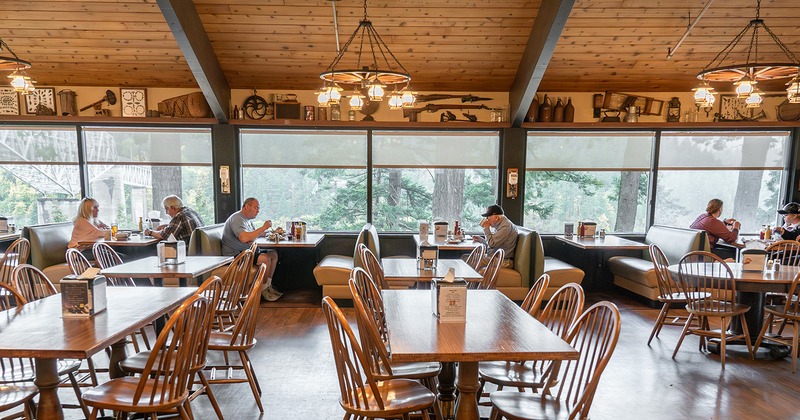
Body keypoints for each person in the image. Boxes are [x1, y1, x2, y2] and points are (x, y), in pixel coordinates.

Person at [221, 197, 281, 301]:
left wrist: (272, 232)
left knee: (273, 254)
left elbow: (253, 235)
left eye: (258, 208)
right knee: (265, 258)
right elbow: (244, 238)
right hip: (235, 255)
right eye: (256, 208)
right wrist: (263, 227)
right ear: (247, 206)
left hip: (246, 252)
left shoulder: (247, 220)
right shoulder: (237, 219)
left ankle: (268, 286)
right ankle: (263, 291)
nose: (258, 211)